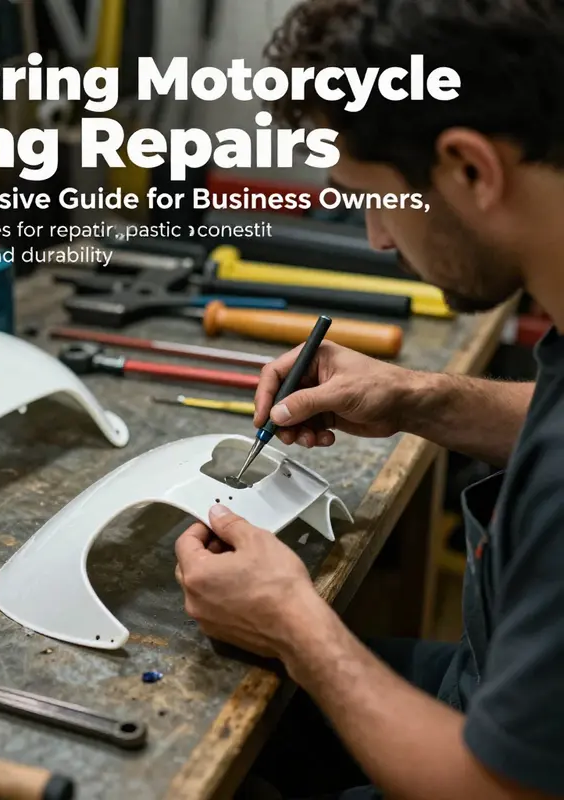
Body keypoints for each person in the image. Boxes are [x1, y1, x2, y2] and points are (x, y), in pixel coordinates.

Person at [174, 1, 564, 798]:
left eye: (372, 194)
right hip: (487, 687)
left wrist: (296, 625)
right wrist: (414, 397)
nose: (380, 238)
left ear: (469, 169)